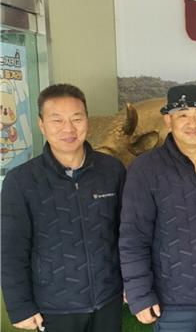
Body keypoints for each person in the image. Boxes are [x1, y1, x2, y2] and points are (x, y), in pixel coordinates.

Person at [1, 84, 126, 332]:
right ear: (41, 125)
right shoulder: (21, 181)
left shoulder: (112, 170)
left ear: (87, 121)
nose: (68, 129)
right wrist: (20, 307)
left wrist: (132, 283)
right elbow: (10, 250)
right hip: (54, 306)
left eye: (76, 119)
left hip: (108, 299)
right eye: (57, 120)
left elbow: (127, 234)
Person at [119, 84, 196, 332]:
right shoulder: (146, 169)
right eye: (182, 115)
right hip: (172, 304)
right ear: (168, 120)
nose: (192, 123)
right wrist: (139, 292)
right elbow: (133, 236)